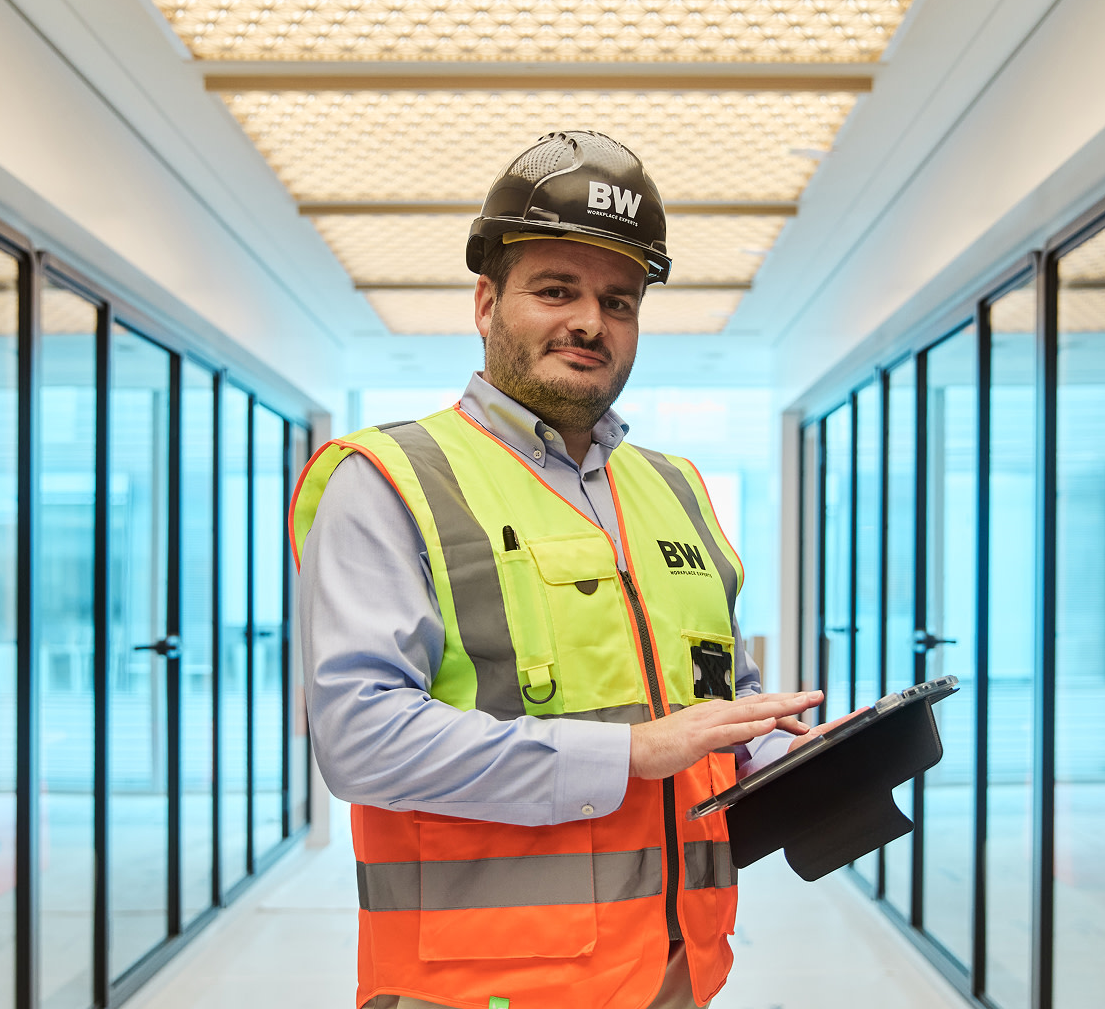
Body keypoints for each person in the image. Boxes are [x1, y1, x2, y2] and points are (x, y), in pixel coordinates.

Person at [292, 130, 829, 1009]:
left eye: (619, 302)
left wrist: (787, 749)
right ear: (486, 303)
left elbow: (716, 699)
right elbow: (360, 739)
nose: (589, 322)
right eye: (555, 290)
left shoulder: (675, 488)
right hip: (478, 987)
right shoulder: (390, 480)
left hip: (675, 972)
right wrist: (630, 754)